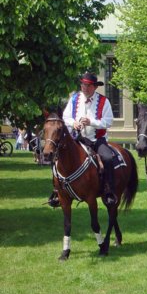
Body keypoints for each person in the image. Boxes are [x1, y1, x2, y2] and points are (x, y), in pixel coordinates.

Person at [48, 72, 117, 207]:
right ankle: (57, 190)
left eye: (88, 85)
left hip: (96, 139)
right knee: (56, 157)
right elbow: (66, 117)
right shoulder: (74, 99)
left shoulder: (104, 101)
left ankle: (108, 190)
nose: (84, 87)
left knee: (108, 158)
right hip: (76, 139)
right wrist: (73, 123)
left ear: (95, 87)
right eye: (83, 84)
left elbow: (108, 121)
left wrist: (91, 121)